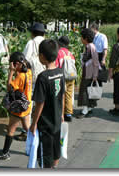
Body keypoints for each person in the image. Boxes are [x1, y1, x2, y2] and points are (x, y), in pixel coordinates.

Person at [30, 39, 65, 168]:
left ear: (42, 56)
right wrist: (62, 114)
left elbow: (40, 103)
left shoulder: (43, 77)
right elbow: (62, 95)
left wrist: (33, 123)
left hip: (45, 124)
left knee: (46, 156)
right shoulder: (60, 72)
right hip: (56, 120)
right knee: (56, 151)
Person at [0, 52, 33, 160]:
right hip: (26, 105)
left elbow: (9, 88)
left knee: (10, 130)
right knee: (27, 128)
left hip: (19, 107)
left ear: (16, 64)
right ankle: (38, 146)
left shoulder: (20, 76)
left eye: (13, 64)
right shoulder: (29, 72)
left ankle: (5, 153)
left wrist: (11, 72)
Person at [14, 22, 46, 141]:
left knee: (29, 101)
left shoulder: (31, 43)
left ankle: (26, 130)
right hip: (45, 74)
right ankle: (40, 126)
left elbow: (24, 60)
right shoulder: (46, 42)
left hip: (33, 76)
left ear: (33, 32)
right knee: (42, 101)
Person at [77, 28, 99, 118]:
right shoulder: (90, 46)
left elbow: (95, 62)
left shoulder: (90, 47)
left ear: (85, 38)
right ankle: (89, 108)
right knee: (89, 90)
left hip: (89, 73)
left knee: (85, 90)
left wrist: (95, 75)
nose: (81, 39)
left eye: (82, 37)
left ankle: (85, 110)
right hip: (88, 72)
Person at [55, 36, 75, 122]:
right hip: (71, 76)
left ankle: (61, 113)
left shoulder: (59, 53)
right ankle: (68, 113)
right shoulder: (70, 53)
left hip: (62, 76)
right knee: (69, 95)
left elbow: (56, 65)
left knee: (61, 95)